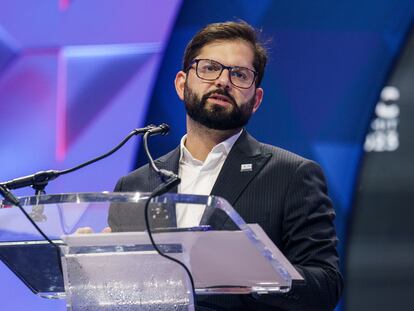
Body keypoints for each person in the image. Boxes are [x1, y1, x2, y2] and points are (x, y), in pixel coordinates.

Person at [110, 21, 342, 311]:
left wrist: (253, 270)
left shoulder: (292, 175)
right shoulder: (134, 186)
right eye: (209, 68)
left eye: (240, 74)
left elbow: (325, 286)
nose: (223, 81)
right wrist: (96, 264)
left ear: (256, 99)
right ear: (182, 84)